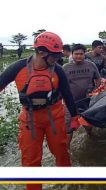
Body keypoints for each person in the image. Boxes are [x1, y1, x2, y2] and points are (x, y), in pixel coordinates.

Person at [0, 32, 80, 190]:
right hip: (30, 120)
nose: (58, 59)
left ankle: (67, 182)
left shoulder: (58, 70)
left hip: (55, 118)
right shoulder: (18, 68)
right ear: (42, 52)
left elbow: (67, 94)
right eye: (55, 56)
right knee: (30, 160)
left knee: (61, 152)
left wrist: (74, 116)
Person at [63, 44, 101, 140]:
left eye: (81, 54)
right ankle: (67, 150)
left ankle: (89, 136)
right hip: (70, 102)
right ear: (72, 54)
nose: (79, 56)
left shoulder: (91, 65)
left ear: (85, 54)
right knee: (68, 127)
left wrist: (96, 89)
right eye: (76, 54)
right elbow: (61, 85)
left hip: (87, 101)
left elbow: (98, 78)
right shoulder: (66, 67)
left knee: (88, 123)